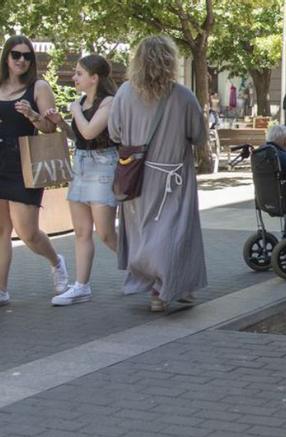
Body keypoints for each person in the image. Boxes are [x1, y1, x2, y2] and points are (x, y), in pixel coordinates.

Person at [108, 35, 208, 312]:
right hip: (173, 177)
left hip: (136, 174)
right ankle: (162, 288)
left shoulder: (124, 93)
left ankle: (170, 284)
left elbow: (115, 132)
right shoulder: (183, 96)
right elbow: (198, 136)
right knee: (173, 232)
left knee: (144, 232)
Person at [43, 54, 118, 306]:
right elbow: (79, 137)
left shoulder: (108, 102)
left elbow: (89, 131)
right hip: (82, 164)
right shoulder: (81, 102)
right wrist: (60, 123)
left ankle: (145, 270)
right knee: (81, 231)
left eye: (79, 73)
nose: (74, 77)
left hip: (103, 165)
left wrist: (74, 111)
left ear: (94, 78)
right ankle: (81, 286)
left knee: (106, 233)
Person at [0, 35, 68, 306]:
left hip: (23, 164)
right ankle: (2, 289)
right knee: (1, 231)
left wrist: (31, 114)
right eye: (16, 55)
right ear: (6, 56)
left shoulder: (38, 87)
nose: (21, 60)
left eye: (27, 56)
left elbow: (50, 128)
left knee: (27, 232)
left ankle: (56, 261)